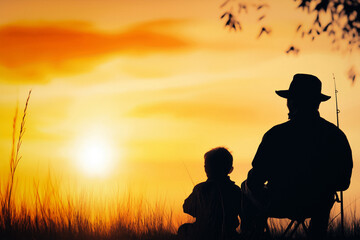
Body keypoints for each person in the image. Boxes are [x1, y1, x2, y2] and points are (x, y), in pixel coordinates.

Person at [240, 73, 353, 239]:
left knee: (245, 186)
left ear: (292, 102)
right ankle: (317, 234)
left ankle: (254, 235)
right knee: (325, 198)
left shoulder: (276, 134)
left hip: (279, 203)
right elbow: (344, 182)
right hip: (317, 205)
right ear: (317, 102)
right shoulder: (335, 135)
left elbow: (256, 177)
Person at [178, 147, 242, 240]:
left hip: (202, 234)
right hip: (228, 234)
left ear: (206, 168)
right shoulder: (235, 190)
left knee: (183, 229)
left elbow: (187, 208)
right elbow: (242, 212)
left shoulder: (200, 189)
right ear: (230, 170)